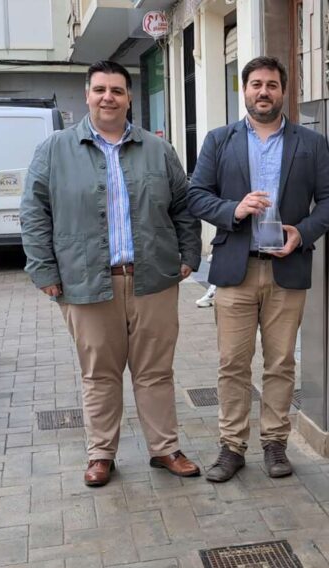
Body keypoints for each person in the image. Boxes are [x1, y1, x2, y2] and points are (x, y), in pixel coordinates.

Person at [21, 60, 203, 487]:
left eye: (117, 90)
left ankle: (165, 448)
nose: (108, 97)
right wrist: (44, 269)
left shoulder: (158, 150)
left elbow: (183, 206)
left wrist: (190, 254)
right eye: (100, 89)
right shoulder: (54, 150)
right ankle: (101, 453)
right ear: (87, 95)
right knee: (99, 373)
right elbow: (34, 213)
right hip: (86, 281)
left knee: (155, 370)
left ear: (129, 98)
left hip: (153, 280)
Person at [187, 56, 329, 482]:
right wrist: (233, 209)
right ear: (245, 90)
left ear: (283, 91)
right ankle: (231, 447)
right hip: (235, 270)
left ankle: (275, 443)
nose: (263, 92)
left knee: (280, 363)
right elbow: (196, 195)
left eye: (272, 85)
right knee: (232, 363)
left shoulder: (310, 143)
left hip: (286, 269)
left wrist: (302, 233)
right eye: (256, 84)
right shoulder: (219, 140)